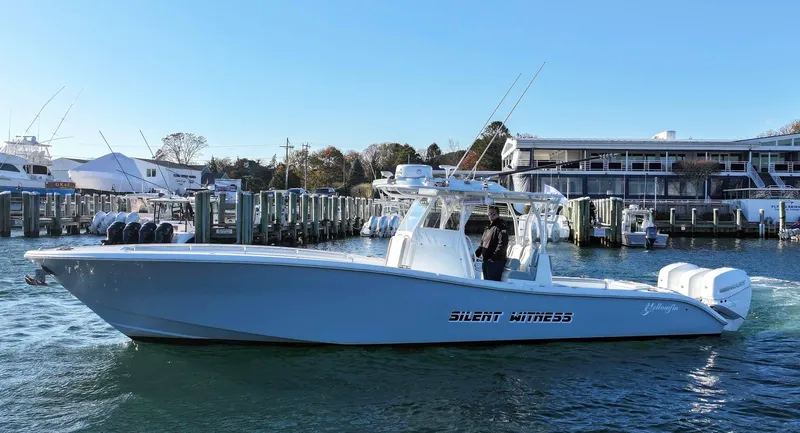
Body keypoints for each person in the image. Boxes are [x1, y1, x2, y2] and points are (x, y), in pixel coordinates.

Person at [474, 205, 508, 281]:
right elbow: (482, 243)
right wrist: (476, 254)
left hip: (495, 262)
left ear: (498, 215)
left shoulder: (501, 227)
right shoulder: (488, 228)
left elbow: (503, 244)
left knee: (492, 282)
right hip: (486, 260)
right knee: (486, 282)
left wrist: (494, 258)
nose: (491, 216)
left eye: (493, 214)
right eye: (490, 214)